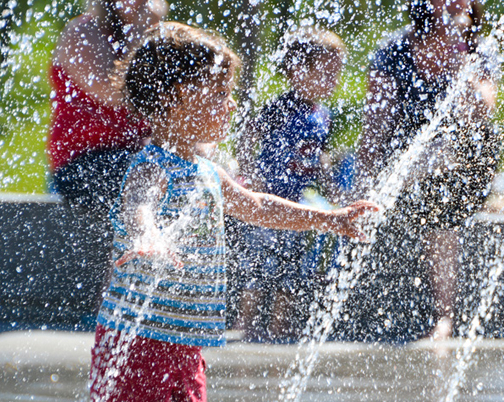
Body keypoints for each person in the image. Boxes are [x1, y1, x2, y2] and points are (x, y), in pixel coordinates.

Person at [88, 22, 378, 401]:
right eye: (221, 93)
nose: (232, 104)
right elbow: (139, 203)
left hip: (187, 344)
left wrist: (330, 219)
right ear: (178, 98)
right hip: (139, 344)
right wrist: (148, 235)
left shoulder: (208, 171)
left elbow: (258, 205)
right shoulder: (153, 164)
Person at [353, 0, 499, 340]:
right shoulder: (393, 52)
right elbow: (376, 127)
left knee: (441, 184)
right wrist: (363, 180)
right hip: (408, 161)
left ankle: (444, 316)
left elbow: (481, 111)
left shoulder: (475, 49)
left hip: (462, 158)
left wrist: (459, 65)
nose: (459, 0)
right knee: (422, 170)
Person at [46, 0, 167, 313]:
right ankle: (114, 306)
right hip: (84, 161)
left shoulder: (149, 36)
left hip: (136, 156)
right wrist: (145, 36)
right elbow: (114, 92)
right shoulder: (83, 34)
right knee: (146, 176)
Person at [235, 27, 346, 341]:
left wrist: (332, 185)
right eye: (327, 73)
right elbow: (247, 134)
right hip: (267, 199)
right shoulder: (280, 107)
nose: (334, 81)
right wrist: (249, 172)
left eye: (337, 74)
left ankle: (279, 323)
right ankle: (247, 321)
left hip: (296, 201)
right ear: (298, 71)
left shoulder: (324, 115)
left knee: (292, 263)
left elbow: (318, 154)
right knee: (258, 263)